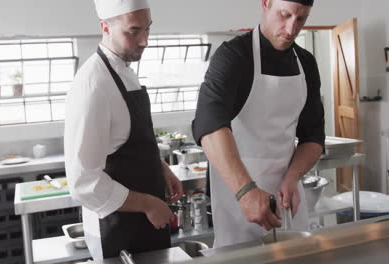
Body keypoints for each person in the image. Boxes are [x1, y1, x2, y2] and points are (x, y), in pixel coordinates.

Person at [192, 0, 325, 248]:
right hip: (238, 195)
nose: (291, 28)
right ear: (265, 3)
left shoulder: (306, 63)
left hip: (288, 195)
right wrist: (245, 191)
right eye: (284, 15)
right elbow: (209, 127)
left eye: (301, 19)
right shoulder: (233, 56)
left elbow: (313, 137)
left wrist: (293, 176)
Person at [64, 0, 183, 260]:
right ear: (105, 27)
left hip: (146, 223)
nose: (144, 41)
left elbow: (124, 138)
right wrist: (148, 203)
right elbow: (83, 181)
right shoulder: (93, 85)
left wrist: (160, 166)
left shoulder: (124, 69)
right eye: (133, 31)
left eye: (148, 30)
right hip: (119, 231)